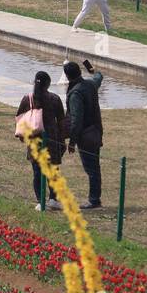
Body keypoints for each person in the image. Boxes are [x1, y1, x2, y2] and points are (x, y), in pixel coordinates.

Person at [15, 71, 66, 210]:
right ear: (48, 84)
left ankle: (40, 200)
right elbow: (61, 121)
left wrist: (22, 136)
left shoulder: (28, 99)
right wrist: (63, 140)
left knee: (37, 171)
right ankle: (53, 198)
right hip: (52, 140)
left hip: (34, 141)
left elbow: (20, 117)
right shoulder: (54, 99)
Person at [64, 59, 104, 209]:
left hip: (86, 135)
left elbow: (76, 120)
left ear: (67, 77)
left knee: (91, 168)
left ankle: (94, 200)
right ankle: (95, 198)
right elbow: (99, 77)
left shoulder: (76, 93)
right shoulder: (90, 84)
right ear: (80, 72)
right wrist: (92, 70)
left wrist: (72, 142)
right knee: (95, 167)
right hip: (95, 131)